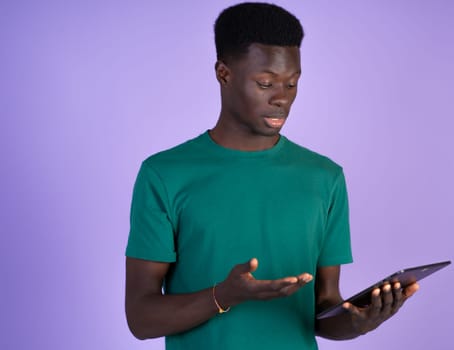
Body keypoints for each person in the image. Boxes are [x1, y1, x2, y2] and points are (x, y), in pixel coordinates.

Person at [125, 2, 419, 349]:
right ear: (224, 74)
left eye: (292, 84)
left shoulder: (324, 178)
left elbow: (322, 312)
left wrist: (361, 321)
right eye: (266, 83)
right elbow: (141, 319)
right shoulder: (164, 175)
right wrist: (225, 295)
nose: (282, 99)